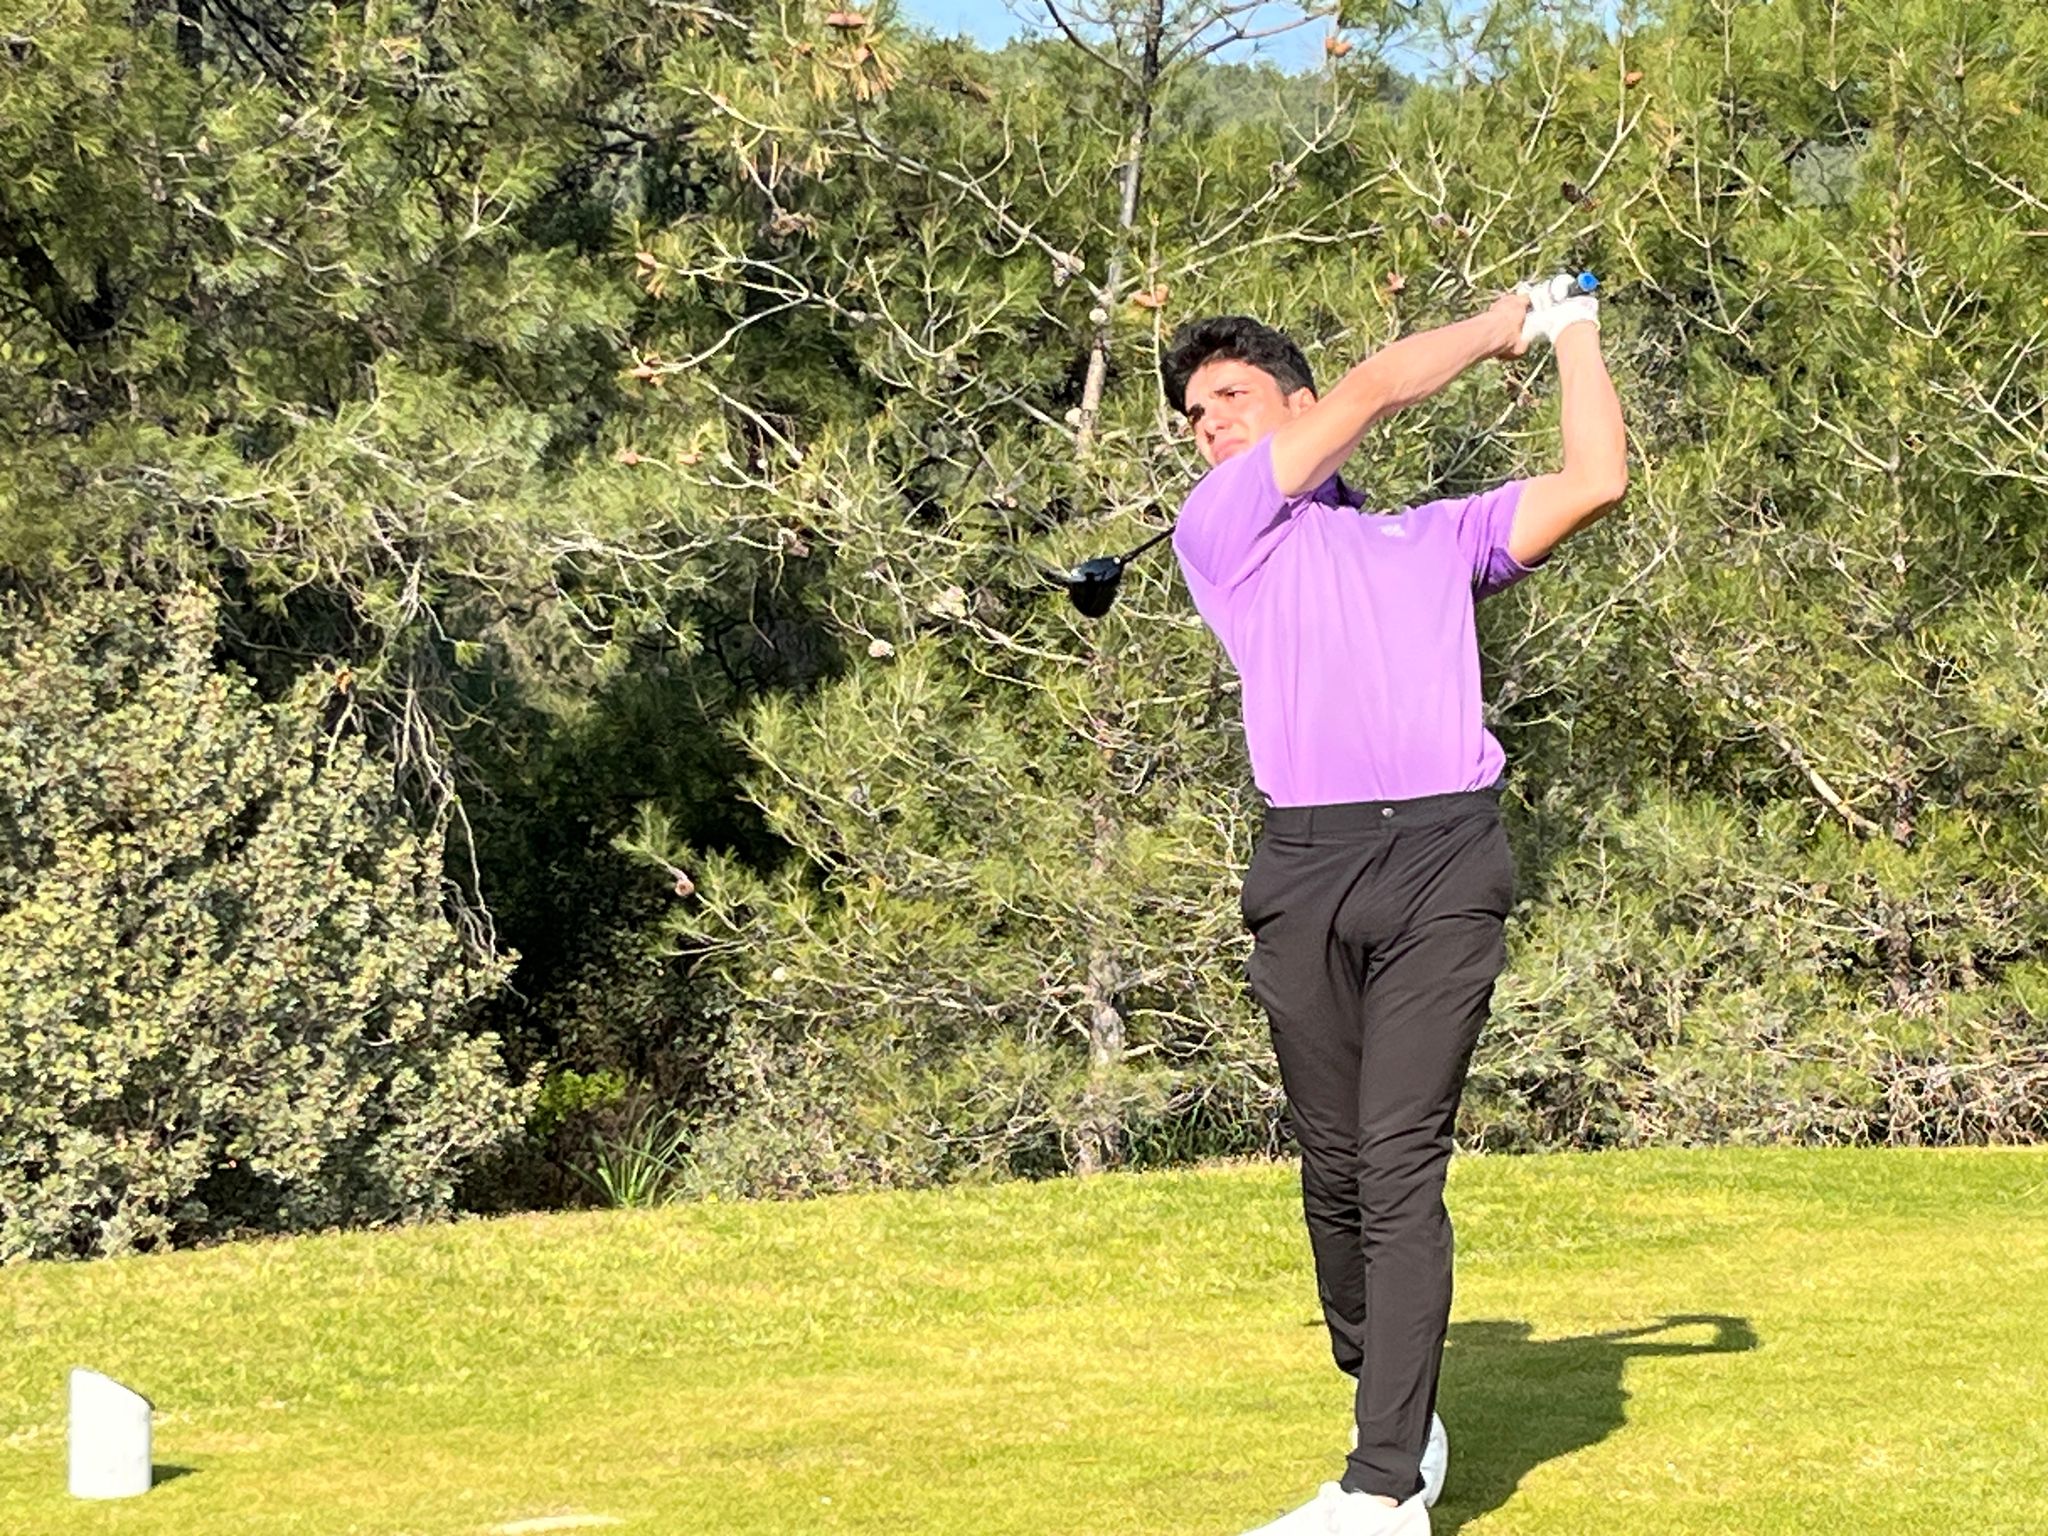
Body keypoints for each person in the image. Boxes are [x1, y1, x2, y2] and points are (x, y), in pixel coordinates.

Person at [1161, 283, 1627, 1536]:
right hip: (1305, 867)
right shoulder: (1221, 524)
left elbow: (1593, 479)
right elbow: (1375, 389)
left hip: (1441, 859)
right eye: (1193, 415)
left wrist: (1568, 330)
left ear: (1295, 403)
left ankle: (1379, 1492)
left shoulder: (1435, 537)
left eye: (1231, 397)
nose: (1209, 423)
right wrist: (1499, 320)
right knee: (1334, 1176)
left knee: (1396, 1161)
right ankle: (1396, 1406)